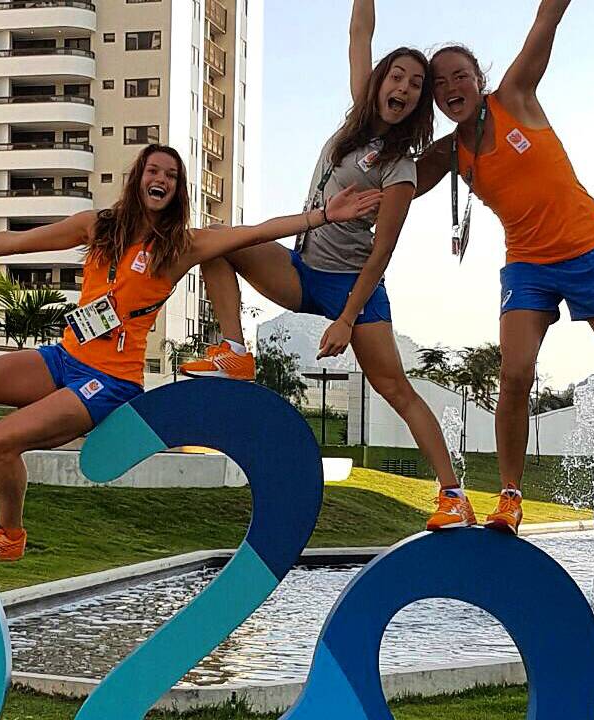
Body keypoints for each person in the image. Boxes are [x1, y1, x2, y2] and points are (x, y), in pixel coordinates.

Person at [0, 144, 383, 562]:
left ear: (177, 190)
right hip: (63, 358)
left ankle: (8, 534)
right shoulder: (98, 226)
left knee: (3, 441)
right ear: (138, 178)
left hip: (109, 382)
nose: (160, 180)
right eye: (153, 170)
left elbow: (255, 233)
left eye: (172, 176)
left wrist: (322, 216)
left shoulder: (179, 245)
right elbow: (21, 243)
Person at [177, 0, 472, 531]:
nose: (402, 88)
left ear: (420, 102)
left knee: (397, 390)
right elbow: (360, 30)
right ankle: (235, 351)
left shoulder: (400, 168)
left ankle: (452, 495)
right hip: (302, 268)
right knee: (211, 242)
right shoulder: (358, 115)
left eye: (414, 85)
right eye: (396, 76)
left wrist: (346, 319)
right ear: (381, 80)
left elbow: (382, 253)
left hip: (352, 288)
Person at [414, 0, 594, 535]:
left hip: (591, 251)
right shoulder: (449, 153)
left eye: (461, 74)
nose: (451, 85)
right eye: (439, 82)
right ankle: (509, 498)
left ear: (479, 79)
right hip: (527, 266)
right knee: (515, 375)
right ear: (435, 97)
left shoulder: (515, 97)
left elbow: (546, 18)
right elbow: (396, 181)